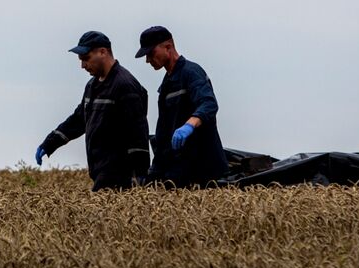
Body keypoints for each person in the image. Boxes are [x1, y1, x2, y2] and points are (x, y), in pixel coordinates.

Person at [35, 31, 150, 191]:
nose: (82, 65)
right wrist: (50, 143)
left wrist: (138, 176)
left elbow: (138, 133)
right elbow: (79, 119)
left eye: (86, 59)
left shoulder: (125, 85)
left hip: (120, 175)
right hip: (99, 170)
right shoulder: (92, 86)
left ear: (103, 52)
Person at [135, 26, 228, 187]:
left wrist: (189, 125)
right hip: (178, 170)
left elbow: (209, 103)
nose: (148, 60)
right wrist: (155, 171)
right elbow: (163, 130)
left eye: (151, 53)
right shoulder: (166, 84)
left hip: (203, 171)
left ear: (168, 47)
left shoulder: (192, 73)